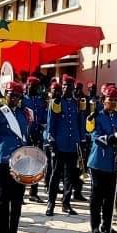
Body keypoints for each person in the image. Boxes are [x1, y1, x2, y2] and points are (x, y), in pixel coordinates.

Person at [0, 80, 32, 233]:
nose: (13, 98)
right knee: (3, 199)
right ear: (5, 95)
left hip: (20, 159)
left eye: (16, 96)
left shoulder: (25, 113)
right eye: (10, 95)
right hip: (3, 159)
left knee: (17, 199)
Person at [87, 85, 117, 233]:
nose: (112, 102)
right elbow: (96, 138)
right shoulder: (95, 117)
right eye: (109, 99)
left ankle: (107, 224)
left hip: (113, 162)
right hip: (98, 161)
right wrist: (115, 136)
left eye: (114, 100)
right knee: (97, 195)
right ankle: (95, 225)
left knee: (111, 196)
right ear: (103, 100)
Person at [45, 74, 86, 217]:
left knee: (70, 176)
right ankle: (51, 203)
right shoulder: (56, 102)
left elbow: (81, 123)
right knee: (55, 175)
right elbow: (51, 124)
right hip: (59, 144)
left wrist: (82, 141)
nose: (66, 88)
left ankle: (66, 203)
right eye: (64, 85)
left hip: (72, 145)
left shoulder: (77, 103)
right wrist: (51, 141)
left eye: (69, 86)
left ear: (73, 88)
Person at [23, 76, 47, 202]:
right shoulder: (22, 99)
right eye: (34, 87)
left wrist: (42, 129)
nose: (36, 89)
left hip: (37, 135)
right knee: (21, 164)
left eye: (38, 87)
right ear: (28, 86)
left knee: (36, 165)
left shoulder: (39, 100)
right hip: (25, 136)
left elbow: (43, 118)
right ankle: (20, 193)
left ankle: (33, 192)